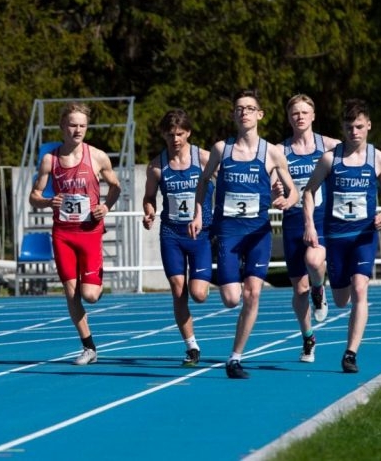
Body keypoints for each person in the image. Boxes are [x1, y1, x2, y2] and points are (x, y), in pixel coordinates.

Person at [189, 90, 297, 379]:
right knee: (231, 299)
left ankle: (235, 358)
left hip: (258, 231)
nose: (244, 113)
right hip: (228, 232)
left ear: (260, 115)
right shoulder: (221, 149)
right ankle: (229, 282)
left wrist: (287, 199)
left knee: (253, 294)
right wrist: (199, 212)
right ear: (234, 115)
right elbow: (202, 182)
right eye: (239, 108)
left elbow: (294, 189)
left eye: (250, 108)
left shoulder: (272, 152)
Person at [302, 99, 381, 373]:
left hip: (364, 236)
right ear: (342, 128)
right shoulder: (331, 158)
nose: (354, 132)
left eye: (358, 126)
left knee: (360, 289)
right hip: (335, 237)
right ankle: (319, 289)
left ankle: (350, 353)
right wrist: (310, 224)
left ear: (368, 126)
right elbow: (308, 191)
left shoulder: (380, 159)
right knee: (342, 299)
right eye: (348, 127)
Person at [30, 103, 121, 365]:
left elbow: (115, 186)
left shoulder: (97, 157)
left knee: (90, 295)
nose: (77, 130)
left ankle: (96, 285)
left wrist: (106, 206)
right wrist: (48, 202)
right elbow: (34, 195)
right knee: (71, 293)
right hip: (63, 233)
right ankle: (89, 347)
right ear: (62, 127)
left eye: (82, 125)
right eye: (72, 125)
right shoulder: (51, 159)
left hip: (89, 231)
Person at [142, 109, 214, 368]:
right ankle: (191, 345)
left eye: (180, 134)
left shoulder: (204, 159)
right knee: (177, 289)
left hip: (200, 233)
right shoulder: (157, 167)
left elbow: (226, 183)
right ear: (164, 135)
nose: (175, 139)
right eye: (171, 134)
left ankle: (219, 273)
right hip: (171, 233)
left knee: (199, 294)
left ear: (189, 133)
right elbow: (149, 197)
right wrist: (149, 212)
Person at [278, 94, 339, 363]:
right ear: (289, 118)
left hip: (322, 218)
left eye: (305, 112)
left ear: (313, 116)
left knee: (315, 262)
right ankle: (308, 338)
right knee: (298, 289)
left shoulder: (329, 146)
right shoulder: (280, 151)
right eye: (295, 113)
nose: (300, 117)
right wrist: (276, 193)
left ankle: (319, 288)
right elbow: (272, 187)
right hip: (293, 221)